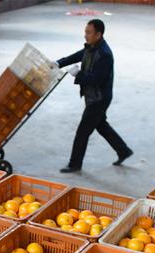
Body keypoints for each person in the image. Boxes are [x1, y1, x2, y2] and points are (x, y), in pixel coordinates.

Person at [55, 19, 133, 173]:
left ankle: (74, 164)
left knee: (82, 132)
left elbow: (96, 80)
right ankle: (123, 150)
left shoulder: (105, 54)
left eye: (88, 33)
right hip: (92, 96)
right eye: (85, 32)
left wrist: (79, 74)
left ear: (98, 34)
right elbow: (78, 55)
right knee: (101, 125)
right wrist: (58, 63)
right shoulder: (92, 47)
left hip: (99, 98)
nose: (85, 35)